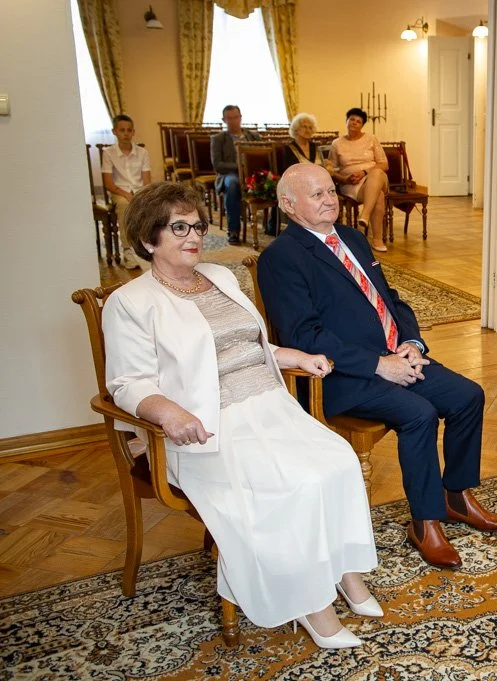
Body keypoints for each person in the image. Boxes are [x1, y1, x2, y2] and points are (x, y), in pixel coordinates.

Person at [103, 182, 381, 649]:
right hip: (209, 425)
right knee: (295, 483)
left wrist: (293, 356)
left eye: (197, 225)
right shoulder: (131, 302)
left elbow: (249, 342)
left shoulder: (221, 276)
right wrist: (168, 412)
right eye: (178, 228)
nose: (193, 236)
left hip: (271, 406)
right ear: (149, 239)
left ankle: (345, 574)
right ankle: (312, 604)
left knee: (338, 462)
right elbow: (127, 384)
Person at [257, 164, 497, 570]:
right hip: (343, 376)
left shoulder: (354, 238)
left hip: (397, 356)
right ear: (288, 205)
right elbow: (303, 335)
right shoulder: (281, 258)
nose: (330, 200)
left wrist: (412, 342)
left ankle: (456, 496)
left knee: (468, 396)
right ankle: (425, 521)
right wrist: (379, 365)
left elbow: (391, 299)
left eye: (330, 191)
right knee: (420, 414)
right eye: (317, 195)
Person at [326, 107, 389, 252]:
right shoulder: (336, 144)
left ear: (362, 125)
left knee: (376, 173)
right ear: (346, 121)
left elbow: (384, 164)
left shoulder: (371, 139)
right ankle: (377, 240)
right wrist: (345, 178)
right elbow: (332, 170)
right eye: (352, 119)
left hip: (377, 178)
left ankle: (364, 215)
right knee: (377, 195)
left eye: (358, 121)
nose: (354, 123)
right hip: (351, 184)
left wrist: (364, 172)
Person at [100, 114, 151, 270]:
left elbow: (146, 181)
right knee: (124, 205)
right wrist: (126, 194)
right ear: (114, 131)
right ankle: (127, 250)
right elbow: (108, 183)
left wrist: (140, 195)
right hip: (119, 192)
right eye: (122, 130)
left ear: (133, 132)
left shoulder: (142, 153)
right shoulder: (108, 153)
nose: (126, 133)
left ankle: (149, 245)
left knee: (154, 204)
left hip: (139, 191)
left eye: (129, 130)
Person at [211, 105, 261, 244]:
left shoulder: (253, 136)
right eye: (229, 118)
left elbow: (262, 155)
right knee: (233, 185)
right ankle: (233, 230)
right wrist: (240, 167)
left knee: (275, 182)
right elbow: (217, 165)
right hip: (229, 174)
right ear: (224, 120)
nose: (233, 121)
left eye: (236, 117)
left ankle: (272, 226)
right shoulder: (218, 139)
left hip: (253, 173)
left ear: (240, 117)